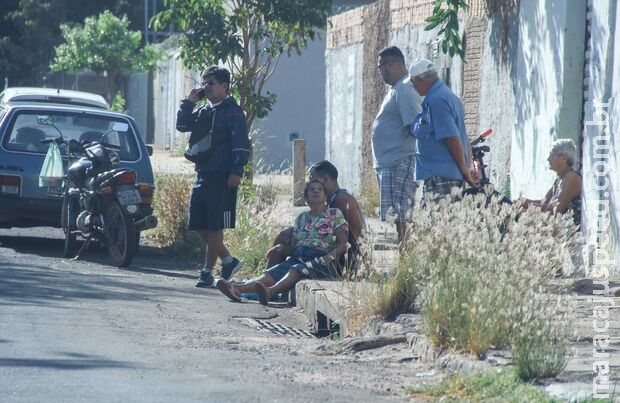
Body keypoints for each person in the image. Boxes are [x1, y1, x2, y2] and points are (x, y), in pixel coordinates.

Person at [215, 179, 348, 305]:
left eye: (320, 189)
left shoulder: (334, 214)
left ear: (325, 196)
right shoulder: (302, 218)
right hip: (299, 256)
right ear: (306, 197)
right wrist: (282, 248)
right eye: (312, 189)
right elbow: (293, 248)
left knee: (295, 270)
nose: (316, 191)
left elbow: (343, 245)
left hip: (321, 259)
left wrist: (327, 257)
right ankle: (237, 289)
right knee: (271, 273)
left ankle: (269, 291)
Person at [176, 66, 251, 287]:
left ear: (224, 86)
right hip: (203, 173)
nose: (206, 87)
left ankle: (207, 272)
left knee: (215, 225)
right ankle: (228, 260)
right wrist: (189, 102)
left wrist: (237, 171)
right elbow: (182, 126)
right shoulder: (203, 110)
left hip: (222, 175)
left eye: (211, 83)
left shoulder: (233, 111)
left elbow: (241, 144)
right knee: (198, 222)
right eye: (204, 83)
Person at [266, 160, 364, 272]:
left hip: (345, 254)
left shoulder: (341, 199)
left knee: (291, 239)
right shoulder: (332, 198)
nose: (311, 183)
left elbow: (353, 236)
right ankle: (270, 275)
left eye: (312, 178)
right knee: (284, 236)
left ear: (325, 179)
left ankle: (274, 277)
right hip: (332, 242)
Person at [406, 58, 479, 200]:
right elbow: (464, 137)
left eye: (413, 82)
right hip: (448, 175)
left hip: (442, 177)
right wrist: (467, 166)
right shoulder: (448, 96)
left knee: (436, 219)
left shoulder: (437, 100)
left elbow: (452, 138)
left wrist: (465, 169)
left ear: (421, 80)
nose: (413, 87)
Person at [372, 46, 422, 243]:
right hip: (389, 162)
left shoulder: (405, 89)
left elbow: (414, 126)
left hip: (400, 161)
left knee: (401, 215)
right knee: (393, 216)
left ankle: (404, 255)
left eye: (380, 68)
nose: (380, 73)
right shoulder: (397, 88)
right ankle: (396, 259)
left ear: (390, 65)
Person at [527, 139, 582, 225]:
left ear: (564, 158)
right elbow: (544, 203)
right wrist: (525, 202)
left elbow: (557, 211)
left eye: (551, 155)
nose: (548, 159)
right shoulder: (559, 180)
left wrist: (529, 205)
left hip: (571, 233)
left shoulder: (571, 177)